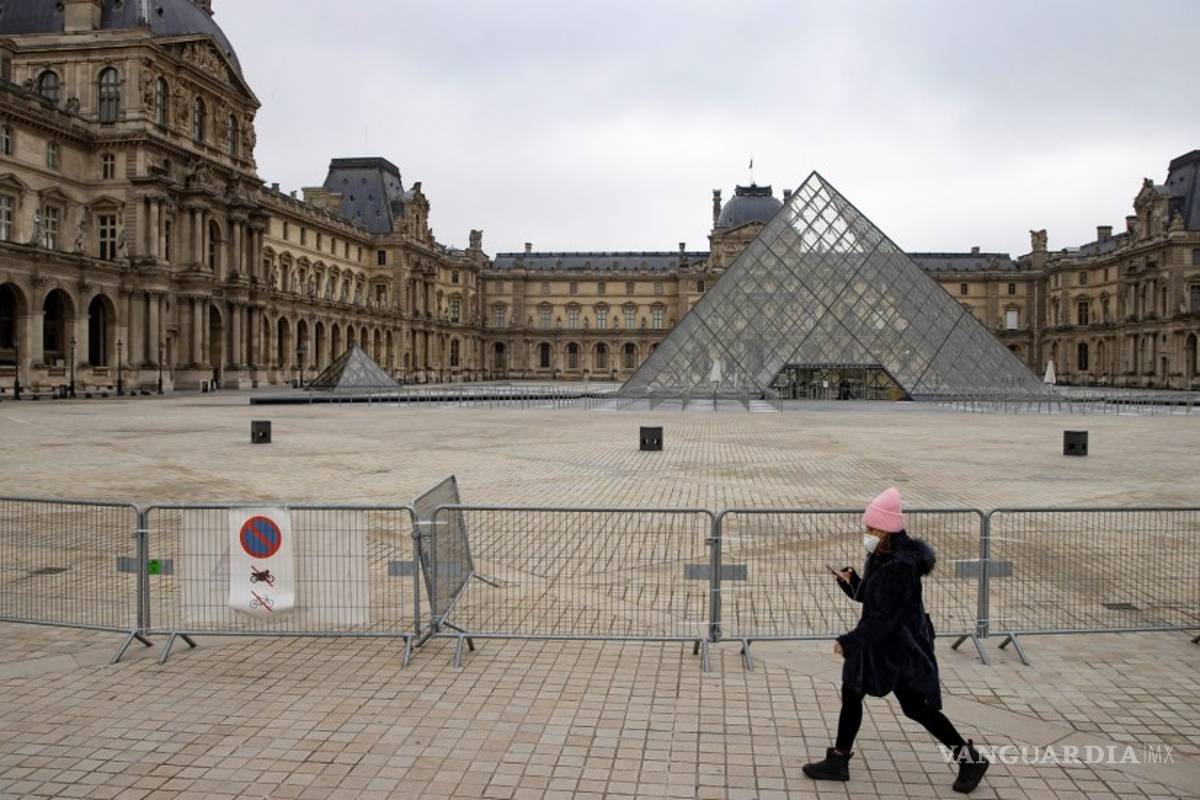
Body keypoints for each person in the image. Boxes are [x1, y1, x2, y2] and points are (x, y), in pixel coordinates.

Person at [802, 487, 989, 794]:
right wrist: (852, 584)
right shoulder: (881, 555)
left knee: (915, 707)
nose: (867, 533)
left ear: (886, 530)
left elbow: (885, 616)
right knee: (852, 691)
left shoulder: (900, 565)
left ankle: (969, 759)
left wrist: (849, 642)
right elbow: (873, 599)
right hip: (880, 642)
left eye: (871, 528)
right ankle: (838, 759)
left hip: (900, 647)